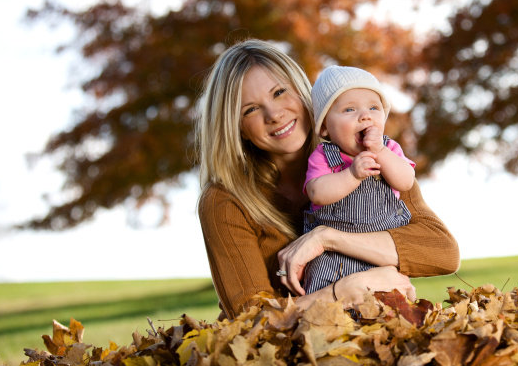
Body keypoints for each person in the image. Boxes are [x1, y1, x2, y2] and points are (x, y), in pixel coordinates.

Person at [196, 38, 460, 319]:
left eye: (280, 92)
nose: (273, 114)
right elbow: (251, 320)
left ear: (304, 93)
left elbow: (442, 252)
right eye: (250, 109)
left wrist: (328, 238)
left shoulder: (370, 156)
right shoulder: (224, 202)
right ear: (237, 128)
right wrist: (341, 292)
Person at [302, 65, 415, 294]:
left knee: (392, 310)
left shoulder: (389, 149)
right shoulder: (324, 156)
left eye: (374, 107)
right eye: (349, 109)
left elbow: (406, 182)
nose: (365, 115)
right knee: (328, 316)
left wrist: (381, 153)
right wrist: (351, 175)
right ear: (324, 127)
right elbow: (317, 193)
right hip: (333, 261)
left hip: (381, 255)